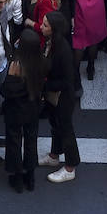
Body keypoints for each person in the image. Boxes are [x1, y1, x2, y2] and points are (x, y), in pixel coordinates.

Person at [2, 26, 47, 193]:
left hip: (15, 110)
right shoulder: (41, 62)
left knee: (14, 142)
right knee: (31, 141)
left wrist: (11, 78)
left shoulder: (16, 66)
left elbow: (6, 91)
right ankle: (31, 176)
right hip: (33, 109)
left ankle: (17, 177)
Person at [39, 10, 81, 182]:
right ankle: (54, 155)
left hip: (63, 96)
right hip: (53, 94)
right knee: (55, 124)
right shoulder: (52, 43)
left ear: (54, 29)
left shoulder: (62, 49)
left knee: (65, 129)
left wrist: (44, 85)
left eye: (45, 25)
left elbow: (67, 80)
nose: (41, 27)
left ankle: (70, 167)